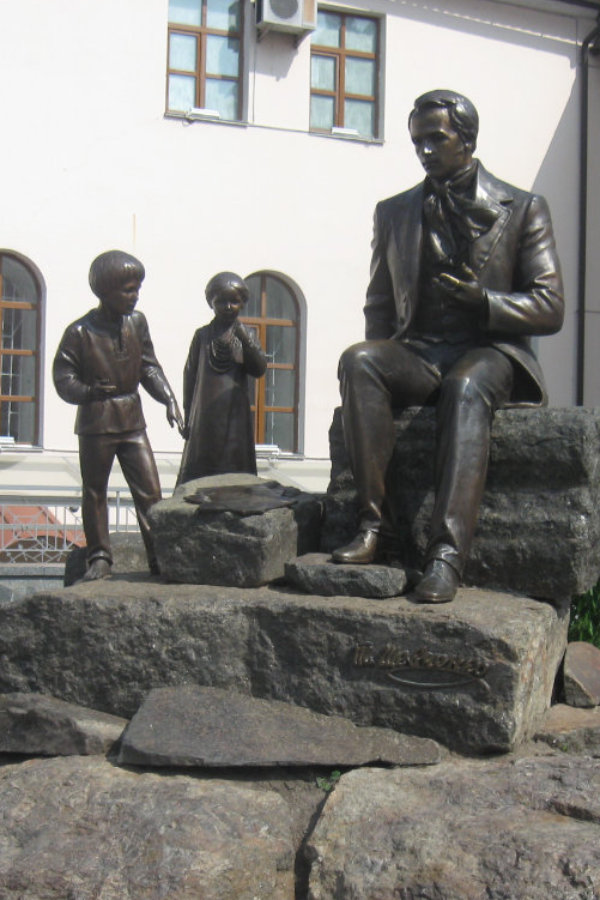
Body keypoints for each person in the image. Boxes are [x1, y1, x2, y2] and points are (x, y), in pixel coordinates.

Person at [333, 89, 564, 603]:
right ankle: (376, 528)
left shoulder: (523, 207)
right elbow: (379, 302)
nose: (425, 151)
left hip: (490, 351)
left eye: (436, 138)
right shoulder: (393, 212)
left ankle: (445, 556)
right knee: (360, 361)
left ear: (468, 138)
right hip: (419, 351)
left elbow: (550, 307)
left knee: (465, 387)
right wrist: (383, 364)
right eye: (418, 141)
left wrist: (485, 303)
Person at [53, 250, 184, 581]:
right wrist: (87, 391)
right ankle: (99, 556)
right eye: (127, 289)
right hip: (96, 423)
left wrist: (168, 398)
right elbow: (62, 377)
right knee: (95, 490)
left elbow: (149, 367)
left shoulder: (137, 322)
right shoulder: (79, 332)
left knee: (150, 492)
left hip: (132, 421)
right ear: (104, 291)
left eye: (137, 288)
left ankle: (160, 555)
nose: (134, 296)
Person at [176, 271, 267, 485]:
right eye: (221, 301)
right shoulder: (202, 336)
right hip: (205, 414)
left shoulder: (245, 334)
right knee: (200, 470)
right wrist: (188, 414)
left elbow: (259, 368)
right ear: (211, 303)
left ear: (242, 303)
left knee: (236, 469)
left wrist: (246, 341)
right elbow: (189, 375)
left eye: (234, 302)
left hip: (234, 414)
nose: (228, 307)